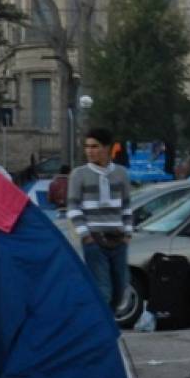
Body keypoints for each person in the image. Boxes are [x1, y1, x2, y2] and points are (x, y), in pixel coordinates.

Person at [67, 128, 133, 319]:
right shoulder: (79, 174)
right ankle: (101, 331)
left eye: (95, 146)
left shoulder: (121, 173)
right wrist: (85, 235)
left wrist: (127, 233)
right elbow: (73, 207)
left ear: (107, 148)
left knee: (120, 288)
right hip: (94, 240)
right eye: (87, 147)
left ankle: (108, 326)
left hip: (118, 239)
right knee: (103, 290)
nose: (90, 151)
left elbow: (127, 205)